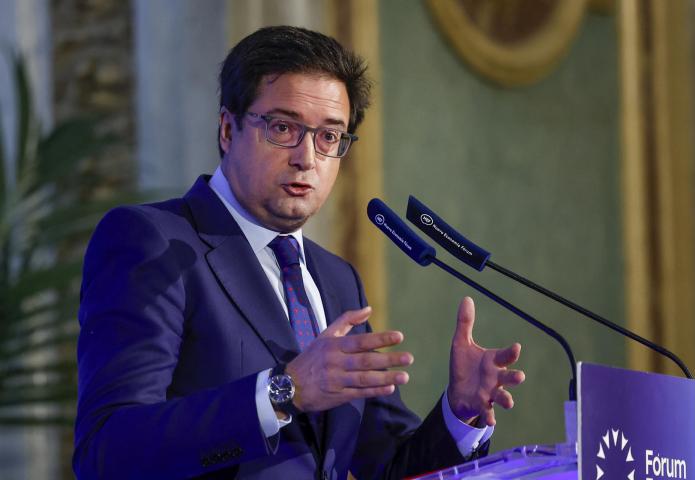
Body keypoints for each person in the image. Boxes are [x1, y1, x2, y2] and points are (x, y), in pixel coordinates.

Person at [73, 26, 525, 480]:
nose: (307, 158)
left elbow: (388, 467)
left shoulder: (337, 279)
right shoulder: (152, 241)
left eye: (329, 136)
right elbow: (107, 451)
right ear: (228, 129)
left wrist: (459, 414)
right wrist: (283, 392)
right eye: (283, 128)